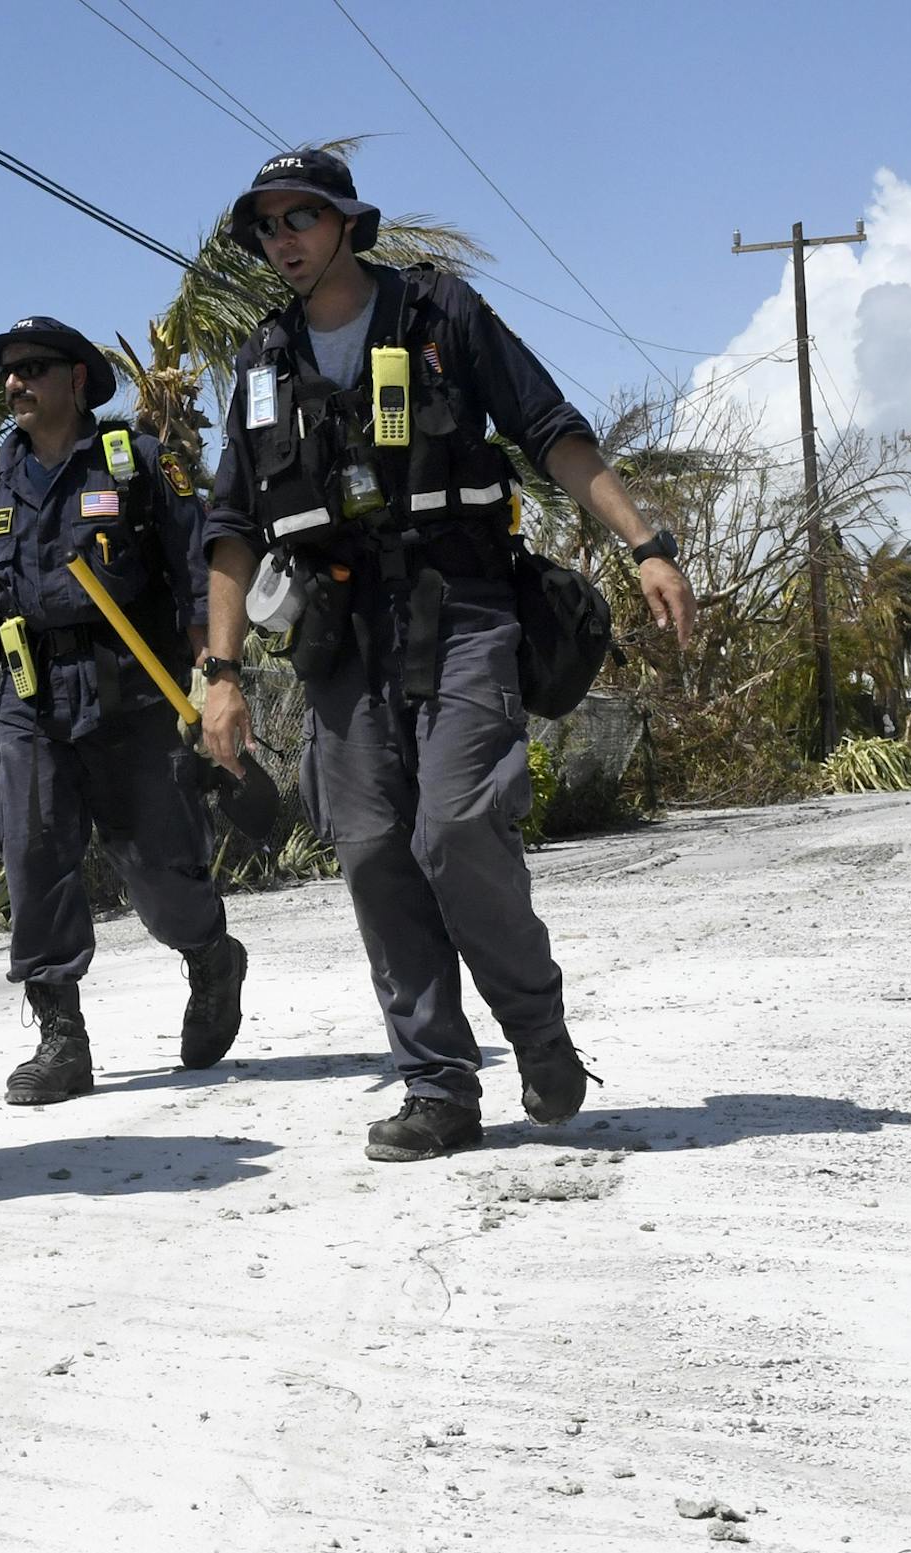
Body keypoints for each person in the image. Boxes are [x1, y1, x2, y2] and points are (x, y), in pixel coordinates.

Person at [198, 151, 697, 1162]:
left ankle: (537, 1028)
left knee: (458, 823)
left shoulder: (439, 315)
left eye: (302, 216)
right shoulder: (261, 364)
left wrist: (645, 545)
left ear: (347, 223)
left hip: (459, 601)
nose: (282, 237)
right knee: (375, 847)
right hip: (339, 636)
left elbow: (551, 430)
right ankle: (438, 1083)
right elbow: (231, 527)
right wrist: (221, 673)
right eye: (266, 225)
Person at [0, 317, 248, 1105]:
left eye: (33, 368)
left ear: (77, 380)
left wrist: (216, 675)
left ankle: (211, 956)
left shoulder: (136, 467)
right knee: (35, 859)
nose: (15, 383)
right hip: (28, 705)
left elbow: (196, 581)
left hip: (131, 701)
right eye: (8, 371)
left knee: (161, 876)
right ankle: (60, 1036)